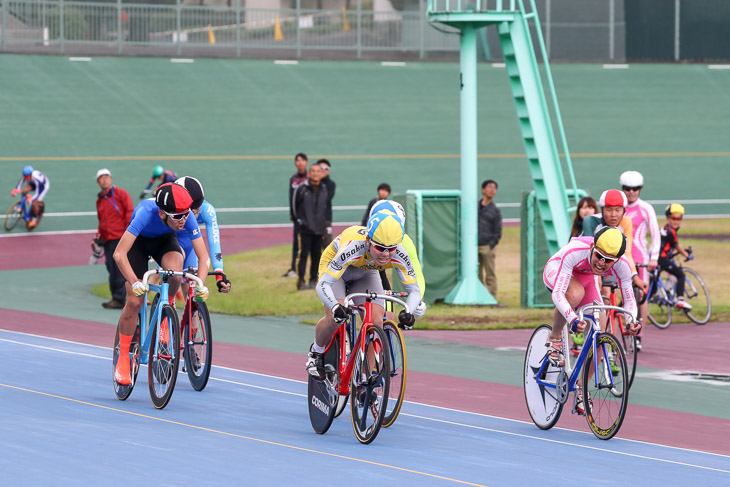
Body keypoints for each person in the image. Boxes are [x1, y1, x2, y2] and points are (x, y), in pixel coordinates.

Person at [306, 210, 425, 381]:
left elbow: (415, 290)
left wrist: (409, 311)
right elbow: (323, 284)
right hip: (339, 270)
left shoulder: (399, 252)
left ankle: (365, 378)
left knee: (377, 322)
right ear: (368, 241)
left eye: (391, 249)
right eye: (380, 248)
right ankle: (316, 352)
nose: (385, 254)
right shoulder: (353, 247)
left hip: (366, 273)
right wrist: (335, 306)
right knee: (334, 317)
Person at [112, 183, 210, 385]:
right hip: (138, 243)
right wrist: (134, 282)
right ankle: (123, 357)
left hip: (164, 240)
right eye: (177, 217)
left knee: (176, 275)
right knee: (134, 301)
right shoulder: (146, 213)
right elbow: (119, 254)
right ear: (162, 214)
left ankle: (167, 307)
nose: (183, 220)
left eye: (185, 215)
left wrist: (201, 284)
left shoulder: (186, 217)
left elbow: (204, 258)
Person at [543, 226, 640, 414]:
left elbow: (629, 301)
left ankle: (581, 387)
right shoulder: (576, 250)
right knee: (575, 293)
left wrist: (632, 321)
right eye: (599, 256)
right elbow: (558, 294)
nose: (602, 263)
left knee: (601, 334)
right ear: (592, 247)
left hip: (587, 279)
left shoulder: (624, 265)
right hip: (558, 270)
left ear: (617, 260)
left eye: (609, 261)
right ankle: (554, 338)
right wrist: (572, 318)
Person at [620, 170, 661, 347]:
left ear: (640, 189)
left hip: (640, 257)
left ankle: (639, 335)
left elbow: (656, 234)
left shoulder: (646, 208)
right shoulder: (618, 206)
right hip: (620, 256)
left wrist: (654, 258)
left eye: (635, 189)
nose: (631, 192)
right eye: (627, 189)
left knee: (641, 298)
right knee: (619, 293)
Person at [173, 176, 231, 294]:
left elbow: (214, 242)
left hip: (191, 243)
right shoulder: (171, 209)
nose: (194, 211)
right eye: (190, 208)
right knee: (174, 278)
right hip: (172, 241)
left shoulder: (207, 211)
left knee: (192, 287)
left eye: (197, 207)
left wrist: (219, 274)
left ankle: (192, 311)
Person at [94, 169, 134, 309]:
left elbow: (129, 212)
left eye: (106, 177)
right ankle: (117, 298)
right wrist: (99, 235)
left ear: (111, 179)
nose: (104, 180)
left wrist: (128, 234)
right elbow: (101, 220)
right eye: (101, 178)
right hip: (108, 239)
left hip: (120, 238)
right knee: (111, 268)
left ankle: (120, 298)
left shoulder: (121, 194)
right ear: (98, 182)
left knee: (119, 270)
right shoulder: (100, 200)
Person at [292, 163, 328, 290]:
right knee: (303, 255)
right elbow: (294, 208)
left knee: (317, 256)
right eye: (313, 171)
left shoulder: (324, 189)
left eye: (318, 171)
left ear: (321, 173)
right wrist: (301, 222)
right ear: (309, 173)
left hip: (318, 229)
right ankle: (301, 281)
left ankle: (314, 280)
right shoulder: (301, 189)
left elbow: (324, 208)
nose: (316, 174)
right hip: (305, 229)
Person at [658, 203, 693, 310]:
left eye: (679, 218)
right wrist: (687, 255)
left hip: (660, 257)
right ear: (668, 218)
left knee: (670, 269)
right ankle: (680, 299)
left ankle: (667, 291)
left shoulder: (666, 228)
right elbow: (677, 246)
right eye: (673, 218)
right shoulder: (671, 231)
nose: (676, 221)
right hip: (662, 259)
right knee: (681, 275)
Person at [283, 153, 309, 278]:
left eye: (302, 160)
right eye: (298, 160)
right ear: (295, 163)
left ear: (306, 163)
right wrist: (294, 215)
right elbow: (291, 198)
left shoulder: (311, 178)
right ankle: (294, 268)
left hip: (312, 218)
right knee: (297, 245)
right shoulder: (293, 179)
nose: (300, 163)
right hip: (299, 219)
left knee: (316, 246)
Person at [478, 179, 502, 297]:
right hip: (473, 246)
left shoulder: (495, 211)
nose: (492, 190)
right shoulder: (475, 206)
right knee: (476, 274)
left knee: (490, 273)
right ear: (483, 190)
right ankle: (479, 295)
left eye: (494, 188)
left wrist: (490, 245)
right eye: (489, 187)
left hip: (487, 246)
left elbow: (498, 231)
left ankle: (491, 296)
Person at [318, 159, 336, 249]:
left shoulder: (331, 184)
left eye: (326, 168)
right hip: (312, 220)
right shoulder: (310, 183)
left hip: (326, 218)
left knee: (328, 245)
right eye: (321, 168)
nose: (323, 170)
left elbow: (326, 198)